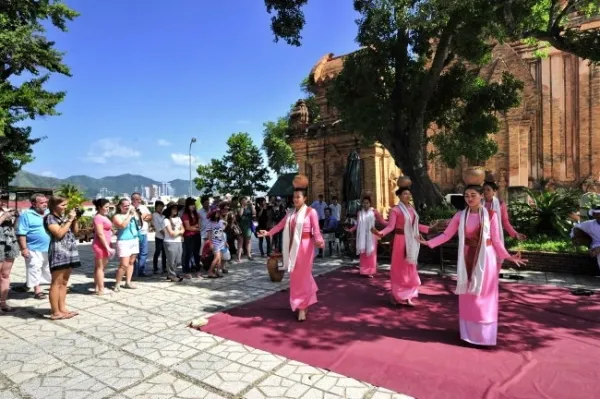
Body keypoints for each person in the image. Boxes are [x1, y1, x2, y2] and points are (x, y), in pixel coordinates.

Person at [418, 185, 527, 346]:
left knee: (484, 296)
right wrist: (428, 243)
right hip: (466, 257)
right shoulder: (460, 215)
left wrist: (508, 256)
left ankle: (484, 335)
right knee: (468, 296)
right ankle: (469, 333)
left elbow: (496, 241)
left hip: (486, 258)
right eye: (467, 195)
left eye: (473, 195)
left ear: (481, 196)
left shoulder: (491, 215)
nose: (469, 198)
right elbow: (447, 234)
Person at [258, 175, 324, 322]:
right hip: (292, 248)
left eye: (298, 197)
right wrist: (269, 232)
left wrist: (319, 242)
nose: (295, 199)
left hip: (306, 248)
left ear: (305, 198)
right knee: (295, 278)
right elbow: (281, 225)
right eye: (294, 197)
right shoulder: (290, 213)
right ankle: (301, 303)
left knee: (303, 276)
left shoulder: (311, 212)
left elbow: (317, 231)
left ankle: (302, 307)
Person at [373, 187, 437, 304]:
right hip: (400, 240)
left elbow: (416, 226)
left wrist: (430, 229)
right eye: (404, 194)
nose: (407, 196)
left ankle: (408, 296)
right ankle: (396, 294)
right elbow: (391, 227)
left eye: (409, 194)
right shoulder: (396, 210)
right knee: (399, 267)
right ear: (399, 196)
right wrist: (380, 233)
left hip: (411, 240)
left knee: (410, 267)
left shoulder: (412, 209)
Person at [44, 195, 81, 320]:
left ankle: (62, 308)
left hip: (70, 251)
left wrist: (75, 219)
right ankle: (55, 312)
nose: (65, 207)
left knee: (64, 282)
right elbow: (59, 234)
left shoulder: (64, 217)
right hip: (58, 252)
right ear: (54, 206)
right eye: (63, 205)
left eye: (66, 205)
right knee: (56, 282)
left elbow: (75, 231)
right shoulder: (50, 218)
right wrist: (69, 220)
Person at [15, 193, 51, 299]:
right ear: (34, 203)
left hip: (49, 248)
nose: (45, 204)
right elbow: (21, 233)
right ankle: (37, 290)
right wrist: (24, 248)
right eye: (42, 202)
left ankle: (49, 285)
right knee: (34, 268)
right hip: (33, 248)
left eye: (46, 202)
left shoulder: (49, 213)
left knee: (47, 269)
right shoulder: (26, 215)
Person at [345, 194, 387, 278]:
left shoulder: (375, 212)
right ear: (362, 204)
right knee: (363, 253)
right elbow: (357, 224)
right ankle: (363, 270)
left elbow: (383, 222)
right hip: (362, 237)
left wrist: (392, 224)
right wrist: (351, 230)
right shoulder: (359, 213)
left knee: (371, 253)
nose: (365, 205)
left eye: (367, 203)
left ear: (370, 203)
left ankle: (370, 271)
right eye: (364, 203)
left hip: (372, 236)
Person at [112, 198, 139, 291]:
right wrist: (129, 215)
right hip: (124, 241)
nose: (127, 207)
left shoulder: (133, 215)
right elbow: (122, 225)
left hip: (134, 240)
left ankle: (128, 282)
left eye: (129, 205)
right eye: (125, 205)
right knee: (124, 264)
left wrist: (135, 214)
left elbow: (139, 224)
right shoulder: (117, 216)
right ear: (120, 206)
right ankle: (117, 283)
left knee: (131, 262)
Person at [91, 198, 115, 295]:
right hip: (100, 245)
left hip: (105, 245)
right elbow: (100, 234)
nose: (108, 209)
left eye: (108, 207)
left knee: (99, 267)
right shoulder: (98, 218)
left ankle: (98, 287)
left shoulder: (103, 216)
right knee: (100, 268)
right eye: (106, 207)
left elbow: (107, 231)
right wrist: (107, 247)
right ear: (99, 207)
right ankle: (101, 289)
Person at [0, 197, 19, 312]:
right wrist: (3, 217)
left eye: (4, 198)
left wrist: (16, 218)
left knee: (5, 275)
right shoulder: (4, 214)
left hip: (9, 243)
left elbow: (13, 228)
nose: (3, 201)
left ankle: (3, 303)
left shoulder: (5, 210)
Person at [131, 193, 152, 277]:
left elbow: (150, 216)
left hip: (143, 233)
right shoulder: (129, 208)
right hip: (133, 235)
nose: (138, 201)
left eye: (139, 199)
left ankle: (141, 271)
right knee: (133, 254)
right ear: (132, 199)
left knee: (143, 253)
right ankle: (133, 271)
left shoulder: (143, 207)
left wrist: (145, 217)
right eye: (136, 199)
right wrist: (142, 217)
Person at [162, 202, 184, 282]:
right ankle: (172, 275)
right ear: (169, 210)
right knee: (171, 259)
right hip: (169, 242)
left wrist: (177, 232)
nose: (175, 210)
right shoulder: (166, 220)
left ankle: (171, 273)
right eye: (173, 208)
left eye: (176, 208)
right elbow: (171, 233)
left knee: (178, 260)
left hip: (178, 241)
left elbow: (183, 229)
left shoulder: (178, 219)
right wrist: (179, 232)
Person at [181, 197, 201, 279]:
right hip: (188, 236)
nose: (193, 206)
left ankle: (198, 270)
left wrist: (195, 227)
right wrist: (195, 227)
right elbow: (187, 227)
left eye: (193, 205)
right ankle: (187, 271)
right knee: (188, 253)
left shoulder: (197, 214)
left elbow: (199, 225)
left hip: (197, 235)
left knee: (197, 253)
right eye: (191, 205)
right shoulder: (185, 215)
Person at [205, 208, 227, 278]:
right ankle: (210, 271)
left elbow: (223, 229)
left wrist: (225, 241)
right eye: (216, 213)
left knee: (219, 257)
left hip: (221, 241)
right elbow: (209, 234)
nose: (218, 214)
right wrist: (210, 243)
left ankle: (218, 271)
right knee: (217, 258)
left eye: (218, 213)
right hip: (214, 242)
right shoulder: (210, 223)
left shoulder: (220, 221)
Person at [151, 201, 167, 274]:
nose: (161, 208)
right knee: (157, 251)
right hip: (159, 237)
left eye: (162, 206)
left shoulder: (163, 215)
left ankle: (164, 267)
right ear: (156, 207)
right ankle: (155, 267)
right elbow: (157, 226)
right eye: (159, 206)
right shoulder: (154, 215)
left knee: (164, 253)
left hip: (165, 237)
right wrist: (165, 234)